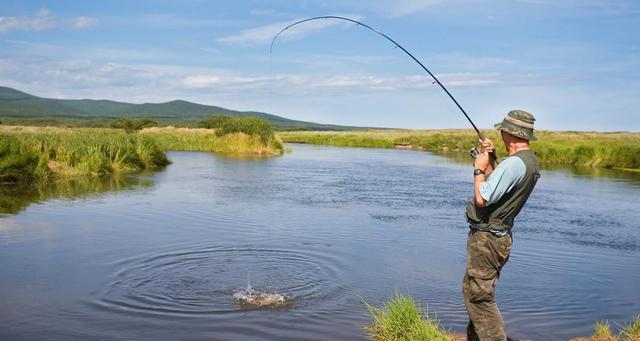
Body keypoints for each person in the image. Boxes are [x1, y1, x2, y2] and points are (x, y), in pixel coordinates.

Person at [462, 110, 540, 341]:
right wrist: (491, 157)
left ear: (508, 132)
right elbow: (499, 185)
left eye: (502, 130)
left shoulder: (515, 163)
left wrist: (478, 167)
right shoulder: (528, 161)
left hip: (488, 240)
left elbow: (483, 198)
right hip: (497, 238)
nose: (501, 133)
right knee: (474, 291)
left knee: (479, 297)